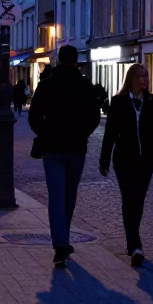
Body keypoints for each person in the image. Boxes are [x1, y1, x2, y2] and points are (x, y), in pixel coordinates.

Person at [29, 45, 102, 267]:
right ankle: (64, 239)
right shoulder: (84, 86)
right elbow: (94, 117)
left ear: (59, 60)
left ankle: (60, 242)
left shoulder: (47, 85)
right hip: (76, 147)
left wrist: (46, 131)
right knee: (69, 195)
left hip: (52, 148)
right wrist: (82, 133)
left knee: (56, 196)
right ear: (76, 61)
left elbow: (34, 116)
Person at [99, 63, 153, 267]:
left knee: (138, 200)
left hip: (146, 160)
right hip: (124, 159)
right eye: (141, 76)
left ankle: (133, 243)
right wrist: (104, 161)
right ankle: (135, 244)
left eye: (146, 76)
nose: (145, 80)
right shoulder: (119, 102)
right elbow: (110, 133)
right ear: (132, 79)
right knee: (129, 197)